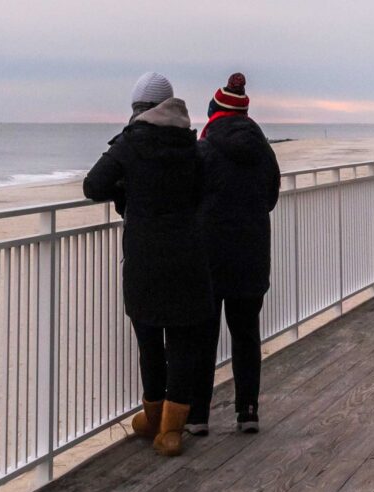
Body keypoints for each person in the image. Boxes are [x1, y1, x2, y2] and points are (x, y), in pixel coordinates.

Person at [82, 72, 215, 457]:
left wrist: (128, 191)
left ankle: (153, 416)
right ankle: (173, 429)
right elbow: (201, 192)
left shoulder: (131, 143)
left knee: (149, 340)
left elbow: (93, 186)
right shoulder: (191, 146)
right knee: (183, 341)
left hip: (145, 256)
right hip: (188, 253)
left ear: (139, 108)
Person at [187, 72, 281, 434]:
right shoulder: (263, 151)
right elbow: (270, 198)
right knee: (246, 334)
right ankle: (248, 411)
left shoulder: (204, 148)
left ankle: (197, 416)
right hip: (251, 252)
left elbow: (191, 194)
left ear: (214, 113)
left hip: (208, 256)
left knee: (204, 335)